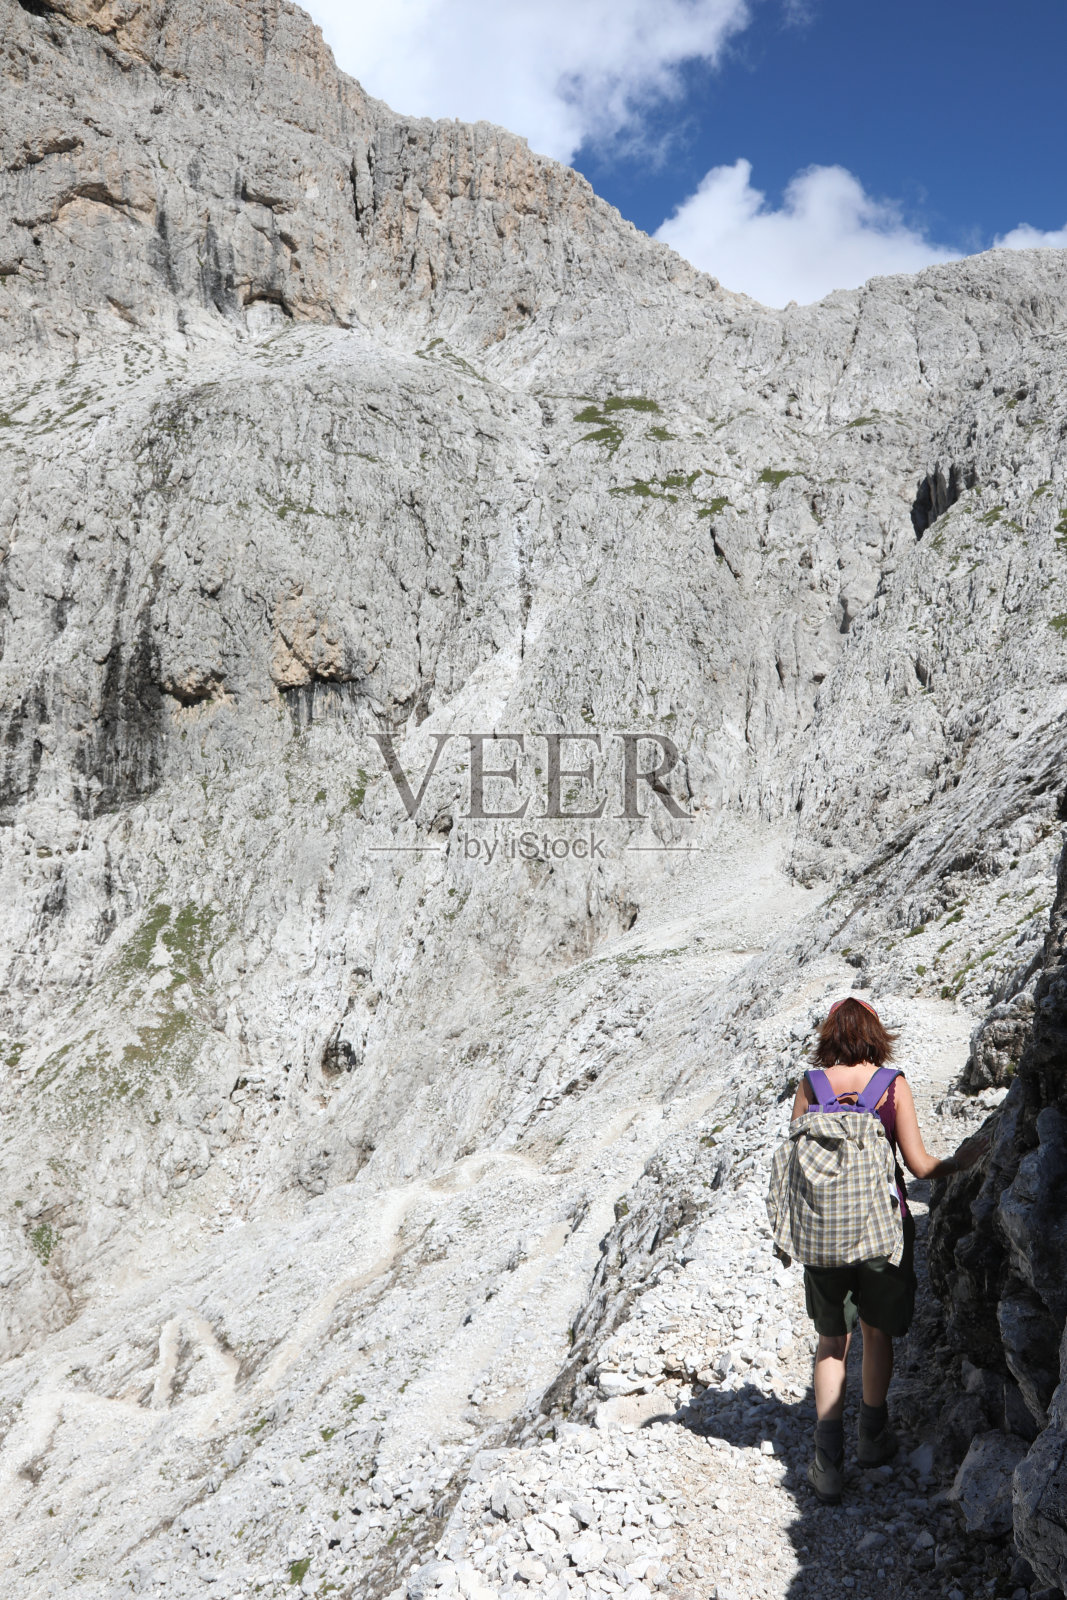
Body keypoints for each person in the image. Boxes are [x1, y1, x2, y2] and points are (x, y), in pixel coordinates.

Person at [789, 996, 988, 1503]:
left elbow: (795, 1162)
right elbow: (920, 1167)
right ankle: (872, 1439)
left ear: (829, 1034)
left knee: (833, 1342)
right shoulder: (890, 1084)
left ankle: (827, 1462)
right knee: (877, 1334)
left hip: (823, 1236)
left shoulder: (810, 1085)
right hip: (882, 1232)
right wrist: (962, 1161)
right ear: (876, 1033)